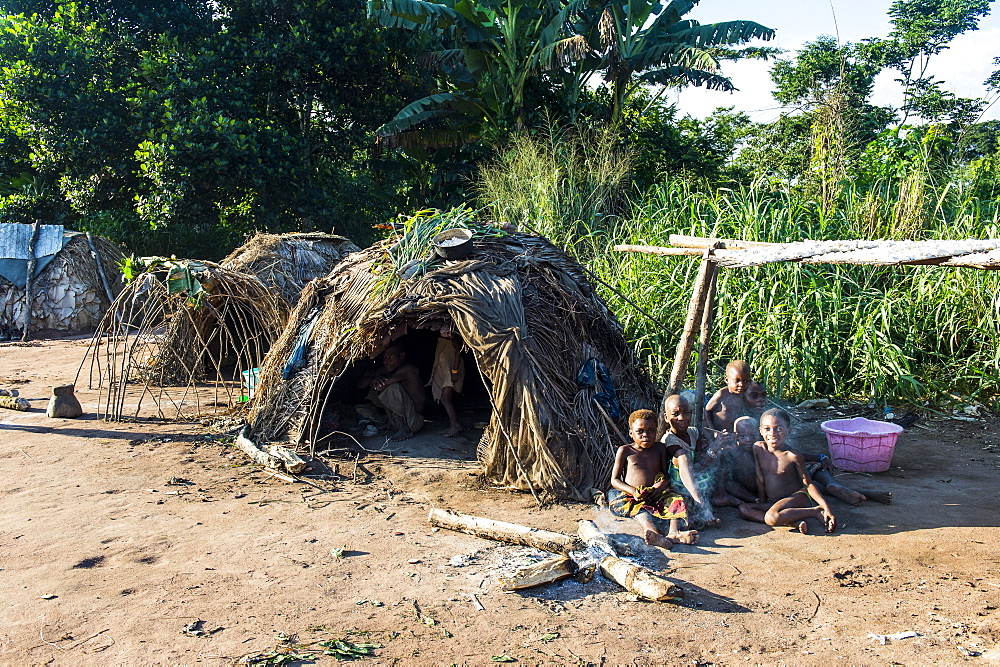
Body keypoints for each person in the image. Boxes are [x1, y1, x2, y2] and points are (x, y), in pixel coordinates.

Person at [608, 409, 699, 549]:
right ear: (631, 433)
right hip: (635, 496)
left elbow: (665, 475)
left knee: (677, 501)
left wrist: (659, 487)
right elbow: (615, 480)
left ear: (656, 431)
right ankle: (652, 532)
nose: (646, 435)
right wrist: (633, 491)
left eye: (651, 431)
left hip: (658, 494)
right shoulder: (625, 451)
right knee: (640, 511)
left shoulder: (660, 448)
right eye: (640, 431)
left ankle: (673, 533)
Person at [738, 408, 837, 534]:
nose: (772, 433)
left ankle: (814, 511)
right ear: (761, 431)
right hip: (775, 502)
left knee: (771, 517)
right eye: (767, 429)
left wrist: (825, 506)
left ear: (788, 431)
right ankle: (790, 521)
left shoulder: (792, 455)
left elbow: (808, 483)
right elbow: (760, 477)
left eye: (778, 429)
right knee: (744, 509)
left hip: (796, 496)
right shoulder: (758, 448)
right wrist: (763, 501)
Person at [660, 394, 723, 523]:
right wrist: (714, 448)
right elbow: (692, 465)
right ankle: (701, 504)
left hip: (696, 478)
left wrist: (718, 446)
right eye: (675, 414)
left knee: (723, 455)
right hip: (677, 484)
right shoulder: (669, 440)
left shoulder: (694, 432)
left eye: (686, 413)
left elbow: (699, 461)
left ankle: (717, 499)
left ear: (691, 413)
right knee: (684, 456)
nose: (682, 418)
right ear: (666, 418)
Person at [357, 344, 425, 441]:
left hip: (413, 422)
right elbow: (360, 385)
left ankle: (404, 429)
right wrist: (373, 379)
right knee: (375, 385)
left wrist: (376, 380)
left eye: (391, 356)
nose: (386, 360)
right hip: (395, 421)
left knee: (392, 387)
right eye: (384, 357)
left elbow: (380, 386)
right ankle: (392, 423)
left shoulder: (407, 369)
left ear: (401, 356)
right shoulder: (388, 368)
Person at [428, 332, 465, 437]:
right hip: (446, 371)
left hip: (451, 371)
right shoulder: (445, 338)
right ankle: (454, 426)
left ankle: (455, 426)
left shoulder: (452, 337)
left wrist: (454, 371)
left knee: (445, 399)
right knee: (445, 398)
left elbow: (458, 351)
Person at [704, 360, 752, 435]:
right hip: (718, 431)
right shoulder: (721, 394)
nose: (741, 384)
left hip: (733, 432)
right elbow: (707, 410)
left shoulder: (744, 394)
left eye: (746, 381)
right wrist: (712, 430)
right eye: (737, 381)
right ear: (727, 380)